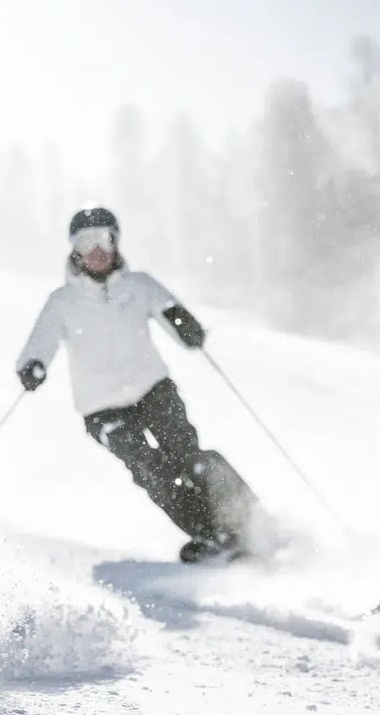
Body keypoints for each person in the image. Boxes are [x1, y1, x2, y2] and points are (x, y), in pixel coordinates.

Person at [15, 206, 264, 563]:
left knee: (188, 457)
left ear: (115, 242)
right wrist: (33, 366)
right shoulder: (62, 303)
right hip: (102, 408)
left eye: (103, 239)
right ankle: (210, 534)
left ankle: (250, 523)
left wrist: (187, 328)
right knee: (153, 470)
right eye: (86, 243)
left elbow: (172, 312)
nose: (96, 250)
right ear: (74, 250)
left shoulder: (139, 285)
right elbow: (39, 344)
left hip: (152, 388)